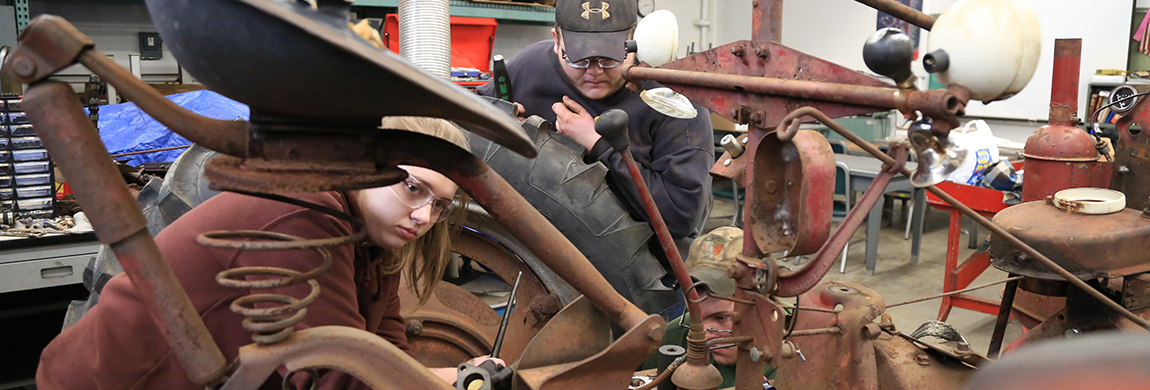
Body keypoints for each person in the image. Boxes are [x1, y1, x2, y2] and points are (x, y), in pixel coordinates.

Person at [36, 117, 501, 389]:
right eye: (413, 187)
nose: (424, 216)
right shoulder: (301, 217)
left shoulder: (373, 242)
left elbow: (387, 354)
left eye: (439, 204)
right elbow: (331, 377)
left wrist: (461, 375)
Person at [478, 0, 715, 261]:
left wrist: (597, 143)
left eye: (609, 58)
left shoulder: (672, 97)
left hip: (647, 272)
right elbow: (465, 124)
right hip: (544, 257)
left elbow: (679, 216)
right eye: (579, 59)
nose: (594, 72)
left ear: (633, 38)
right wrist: (497, 124)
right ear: (557, 40)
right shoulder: (530, 67)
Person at [640, 227, 778, 388]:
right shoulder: (673, 339)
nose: (704, 334)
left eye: (721, 318)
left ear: (762, 304)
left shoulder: (799, 356)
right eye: (696, 316)